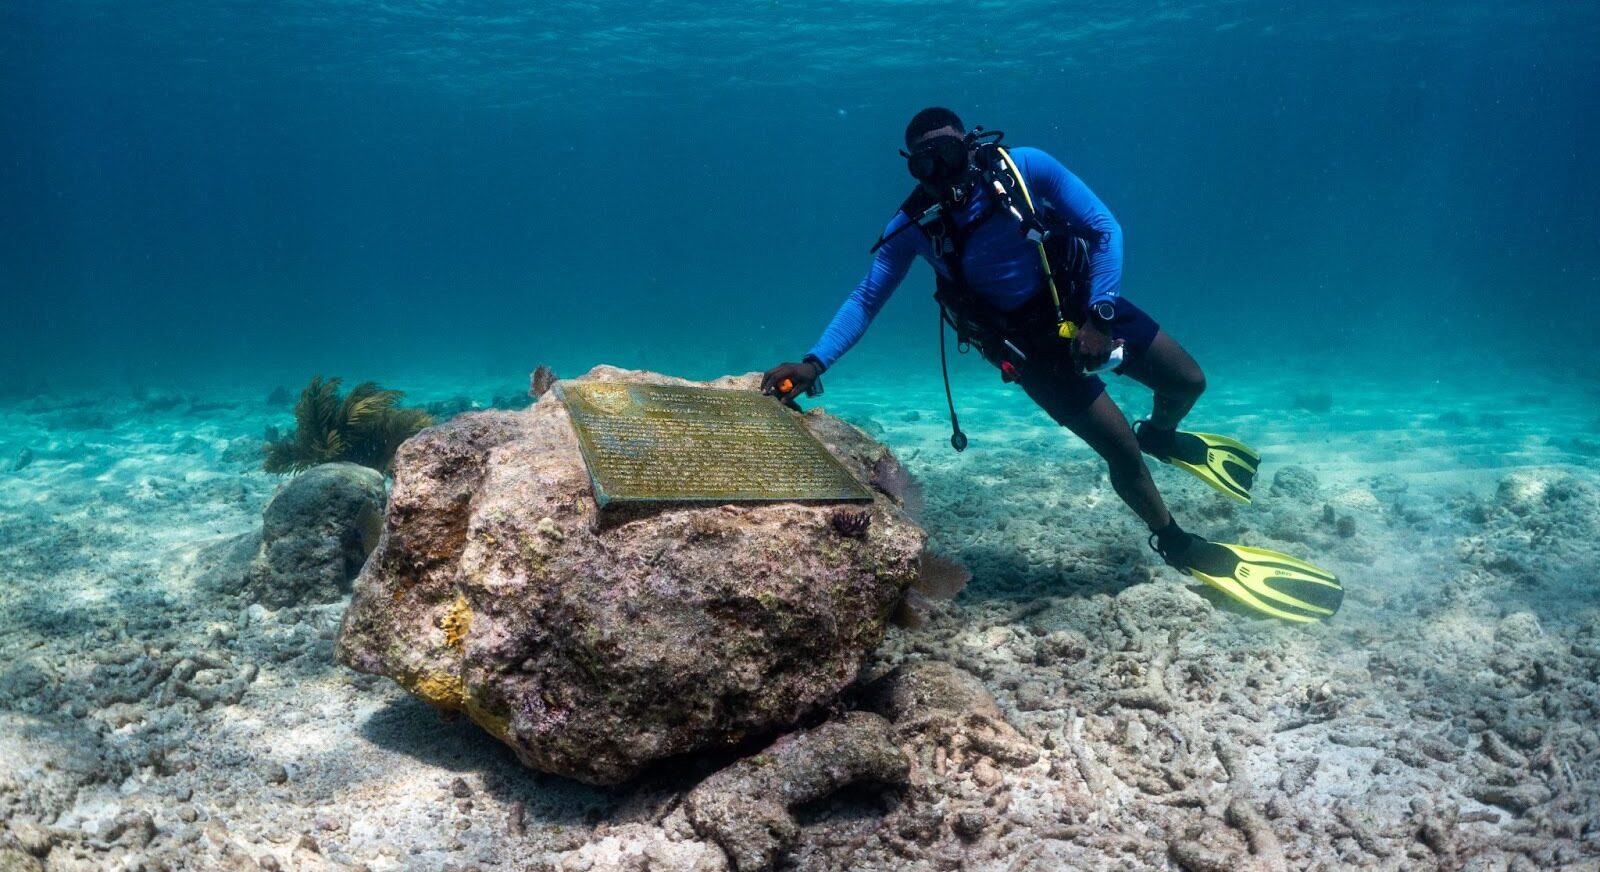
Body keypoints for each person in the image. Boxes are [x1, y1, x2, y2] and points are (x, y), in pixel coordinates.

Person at [762, 107, 1343, 623]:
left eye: (951, 156)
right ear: (912, 168)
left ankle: (1163, 435)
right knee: (1120, 449)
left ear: (972, 146)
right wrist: (815, 362)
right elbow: (867, 297)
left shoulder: (1026, 169)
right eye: (925, 166)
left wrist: (1101, 315)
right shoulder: (915, 226)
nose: (944, 175)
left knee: (1189, 381)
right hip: (1028, 349)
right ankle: (1174, 540)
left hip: (1089, 307)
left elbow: (1104, 229)